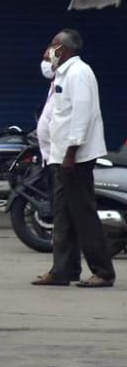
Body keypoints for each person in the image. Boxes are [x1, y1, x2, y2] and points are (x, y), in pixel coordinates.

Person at [32, 29, 116, 288]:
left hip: (74, 157)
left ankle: (103, 272)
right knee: (63, 215)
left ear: (63, 48)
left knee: (82, 214)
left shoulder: (79, 73)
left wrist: (71, 152)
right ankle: (63, 270)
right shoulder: (63, 72)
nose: (49, 50)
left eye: (53, 45)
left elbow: (82, 115)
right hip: (60, 155)